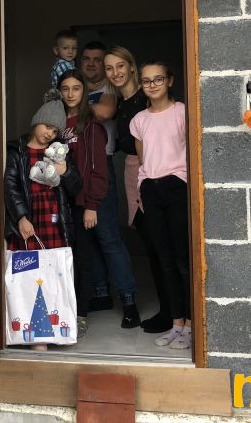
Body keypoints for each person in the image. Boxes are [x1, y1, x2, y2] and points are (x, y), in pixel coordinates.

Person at [3, 99, 82, 350]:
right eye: (47, 126)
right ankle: (33, 333)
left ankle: (54, 329)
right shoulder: (17, 151)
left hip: (54, 221)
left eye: (55, 130)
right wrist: (21, 218)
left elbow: (76, 187)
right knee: (29, 277)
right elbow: (11, 187)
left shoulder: (60, 153)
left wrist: (65, 171)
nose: (50, 133)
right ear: (36, 122)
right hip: (29, 220)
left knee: (53, 274)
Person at [104, 47, 171, 334]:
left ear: (132, 67)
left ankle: (174, 312)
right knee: (151, 243)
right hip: (134, 173)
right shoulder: (121, 103)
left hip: (155, 173)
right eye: (109, 68)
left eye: (120, 66)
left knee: (163, 245)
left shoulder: (146, 98)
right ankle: (169, 311)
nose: (115, 72)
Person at [130, 61, 191, 350]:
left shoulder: (182, 112)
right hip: (151, 190)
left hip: (177, 185)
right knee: (165, 260)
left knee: (182, 260)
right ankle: (176, 323)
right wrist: (142, 188)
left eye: (158, 79)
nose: (152, 85)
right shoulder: (139, 120)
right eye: (146, 81)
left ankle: (191, 325)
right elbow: (143, 160)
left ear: (170, 81)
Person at [79, 42, 139, 328]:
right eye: (86, 59)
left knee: (109, 237)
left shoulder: (110, 89)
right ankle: (101, 293)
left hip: (100, 167)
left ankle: (129, 301)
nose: (92, 64)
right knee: (86, 237)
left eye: (97, 60)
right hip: (73, 168)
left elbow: (103, 112)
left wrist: (73, 104)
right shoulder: (77, 86)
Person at [58, 69, 108, 337]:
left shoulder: (91, 126)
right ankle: (62, 311)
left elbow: (99, 169)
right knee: (60, 258)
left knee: (82, 258)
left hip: (81, 203)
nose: (70, 94)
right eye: (65, 88)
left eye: (76, 88)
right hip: (58, 202)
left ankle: (81, 314)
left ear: (84, 91)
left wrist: (91, 205)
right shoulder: (54, 122)